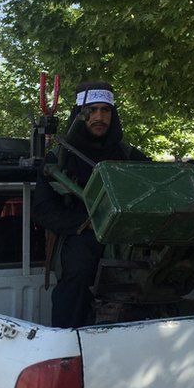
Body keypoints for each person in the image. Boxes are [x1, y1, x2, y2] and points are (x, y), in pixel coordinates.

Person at [33, 80, 148, 327]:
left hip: (127, 238)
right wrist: (83, 225)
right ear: (79, 115)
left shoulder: (127, 155)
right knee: (78, 272)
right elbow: (43, 210)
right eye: (92, 110)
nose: (99, 117)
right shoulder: (59, 157)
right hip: (80, 235)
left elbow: (157, 179)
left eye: (105, 110)